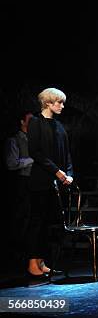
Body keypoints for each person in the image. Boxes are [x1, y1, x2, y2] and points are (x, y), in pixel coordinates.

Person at [26, 88, 73, 280]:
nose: (62, 106)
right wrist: (57, 172)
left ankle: (41, 262)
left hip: (56, 182)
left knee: (47, 223)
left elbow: (67, 153)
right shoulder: (36, 123)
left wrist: (69, 173)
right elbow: (35, 152)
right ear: (48, 103)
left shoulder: (59, 126)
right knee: (37, 222)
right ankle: (32, 263)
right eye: (58, 102)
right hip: (40, 180)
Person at [4, 111, 34, 263]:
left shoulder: (33, 139)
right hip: (21, 182)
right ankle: (16, 252)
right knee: (20, 217)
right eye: (29, 120)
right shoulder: (14, 140)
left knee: (31, 217)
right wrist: (30, 160)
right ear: (22, 122)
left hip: (32, 182)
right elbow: (11, 163)